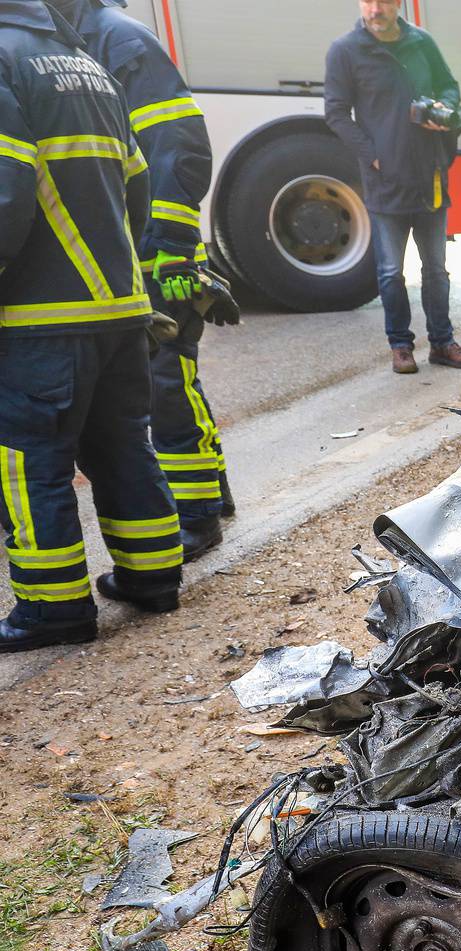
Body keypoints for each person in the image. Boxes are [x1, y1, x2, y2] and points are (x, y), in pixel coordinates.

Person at [0, 0, 183, 652]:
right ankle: (154, 577)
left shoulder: (4, 58)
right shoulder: (84, 62)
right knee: (122, 446)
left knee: (31, 463)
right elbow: (136, 186)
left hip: (41, 319)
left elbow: (7, 191)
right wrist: (110, 275)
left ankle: (54, 611)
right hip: (117, 309)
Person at [49, 0, 236, 561]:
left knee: (164, 375)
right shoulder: (74, 43)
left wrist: (173, 250)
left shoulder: (117, 40)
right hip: (128, 251)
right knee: (169, 370)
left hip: (155, 252)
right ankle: (212, 493)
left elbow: (178, 145)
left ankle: (197, 517)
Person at [324, 0, 461, 375]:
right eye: (369, 2)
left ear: (399, 4)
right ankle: (400, 346)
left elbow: (450, 87)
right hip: (385, 182)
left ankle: (442, 343)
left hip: (430, 177)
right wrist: (371, 155)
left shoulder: (421, 42)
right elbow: (336, 112)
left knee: (437, 271)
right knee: (391, 273)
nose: (375, 9)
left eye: (385, 2)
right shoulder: (345, 50)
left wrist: (446, 108)